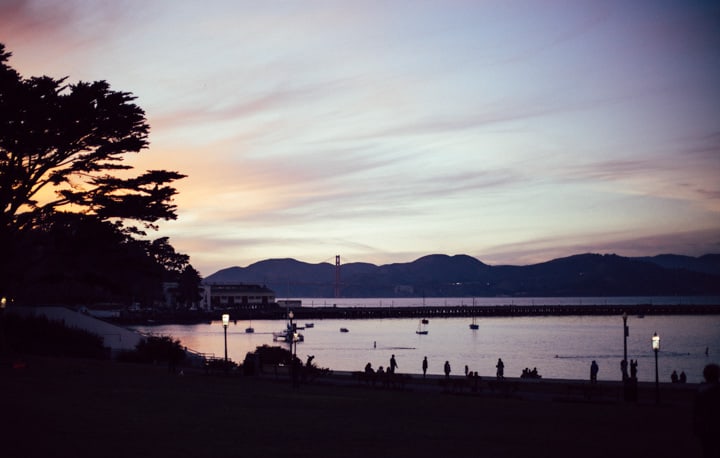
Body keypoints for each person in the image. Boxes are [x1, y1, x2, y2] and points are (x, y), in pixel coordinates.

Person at [694, 363, 720, 458]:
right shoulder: (715, 391)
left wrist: (696, 428)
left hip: (704, 427)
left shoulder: (700, 391)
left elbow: (696, 412)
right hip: (714, 427)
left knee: (707, 450)